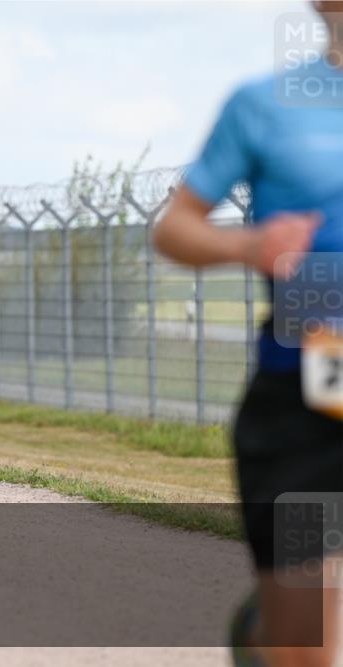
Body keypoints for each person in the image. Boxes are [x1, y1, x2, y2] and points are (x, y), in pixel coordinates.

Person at [154, 4, 342, 665]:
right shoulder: (264, 106)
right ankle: (266, 637)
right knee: (303, 644)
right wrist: (252, 243)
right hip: (307, 391)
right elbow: (175, 226)